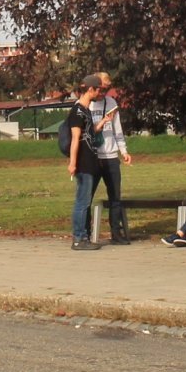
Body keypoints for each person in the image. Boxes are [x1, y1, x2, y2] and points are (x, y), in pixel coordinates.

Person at [74, 72, 132, 245]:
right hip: (92, 157)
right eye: (102, 88)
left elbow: (117, 130)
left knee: (115, 197)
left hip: (111, 155)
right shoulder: (84, 104)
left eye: (106, 89)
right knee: (86, 198)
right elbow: (80, 132)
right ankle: (85, 233)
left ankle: (116, 232)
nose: (104, 92)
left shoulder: (111, 102)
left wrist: (123, 150)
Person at [64, 76, 109, 250]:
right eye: (99, 90)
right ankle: (79, 239)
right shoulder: (77, 111)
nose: (100, 93)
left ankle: (83, 237)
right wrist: (73, 163)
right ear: (90, 89)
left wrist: (102, 123)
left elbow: (89, 133)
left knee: (85, 201)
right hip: (83, 163)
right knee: (82, 202)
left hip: (90, 160)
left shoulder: (86, 110)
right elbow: (75, 139)